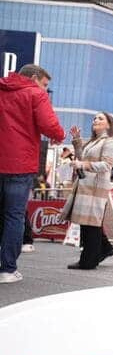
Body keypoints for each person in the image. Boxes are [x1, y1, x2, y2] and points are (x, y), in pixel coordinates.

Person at [0, 64, 65, 284]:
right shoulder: (35, 94)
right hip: (20, 164)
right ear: (34, 78)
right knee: (14, 216)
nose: (45, 89)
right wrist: (59, 135)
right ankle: (7, 270)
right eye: (45, 84)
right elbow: (50, 126)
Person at [59, 112, 113, 270]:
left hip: (96, 187)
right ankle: (98, 253)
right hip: (86, 185)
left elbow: (106, 165)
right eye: (95, 118)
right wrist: (77, 142)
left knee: (91, 225)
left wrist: (83, 165)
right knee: (87, 224)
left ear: (108, 124)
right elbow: (81, 158)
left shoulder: (111, 141)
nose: (95, 120)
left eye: (100, 118)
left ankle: (88, 260)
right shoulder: (94, 141)